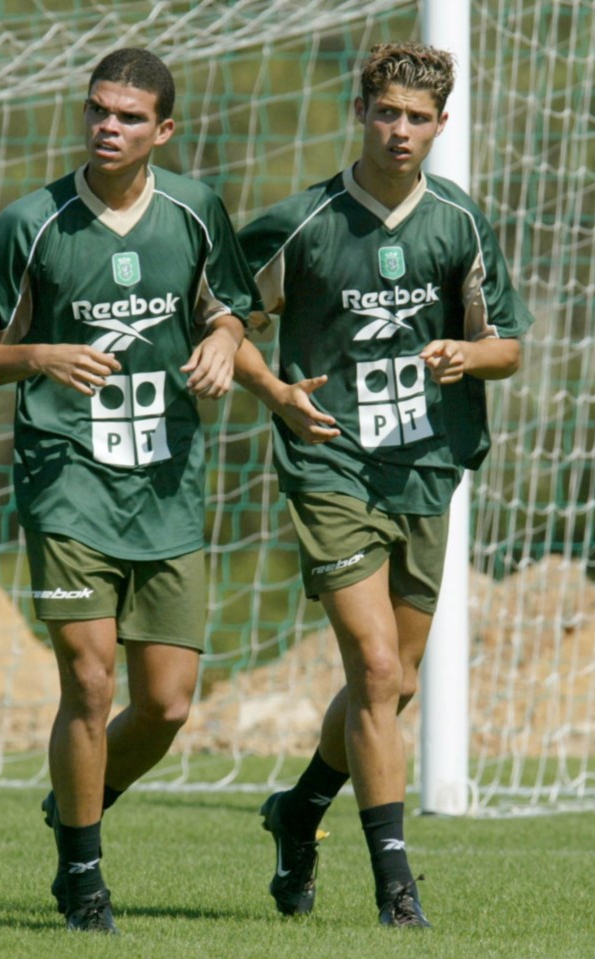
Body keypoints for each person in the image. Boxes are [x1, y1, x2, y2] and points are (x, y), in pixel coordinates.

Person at [0, 48, 259, 934]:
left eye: (128, 116)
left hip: (169, 479)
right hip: (65, 474)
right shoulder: (32, 223)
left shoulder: (195, 211)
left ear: (165, 130)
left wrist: (224, 339)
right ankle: (83, 876)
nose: (108, 126)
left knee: (168, 702)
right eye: (97, 110)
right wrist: (36, 354)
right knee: (88, 675)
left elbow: (227, 306)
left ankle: (79, 798)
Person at [234, 41, 533, 928]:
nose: (399, 130)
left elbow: (507, 346)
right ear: (360, 113)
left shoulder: (459, 223)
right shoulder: (302, 221)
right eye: (386, 113)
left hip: (425, 464)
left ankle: (298, 811)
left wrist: (465, 352)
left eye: (417, 117)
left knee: (394, 682)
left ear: (442, 125)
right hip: (329, 461)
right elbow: (222, 324)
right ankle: (396, 887)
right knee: (370, 665)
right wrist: (276, 392)